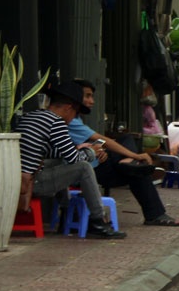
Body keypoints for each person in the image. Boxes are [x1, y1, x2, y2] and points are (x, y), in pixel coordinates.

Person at [17, 81, 127, 239]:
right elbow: (75, 159)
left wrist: (79, 148)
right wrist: (92, 151)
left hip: (20, 178)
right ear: (69, 108)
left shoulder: (32, 116)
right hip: (32, 183)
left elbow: (48, 151)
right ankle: (98, 220)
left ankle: (67, 214)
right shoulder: (56, 122)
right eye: (75, 113)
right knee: (83, 168)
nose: (74, 118)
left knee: (62, 162)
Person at [69, 80, 179, 226]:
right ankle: (154, 213)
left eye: (92, 96)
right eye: (87, 96)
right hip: (89, 169)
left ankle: (130, 163)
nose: (92, 101)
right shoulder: (71, 121)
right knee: (137, 169)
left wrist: (100, 148)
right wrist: (134, 155)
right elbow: (101, 139)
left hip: (96, 163)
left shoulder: (76, 118)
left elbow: (96, 141)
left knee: (129, 148)